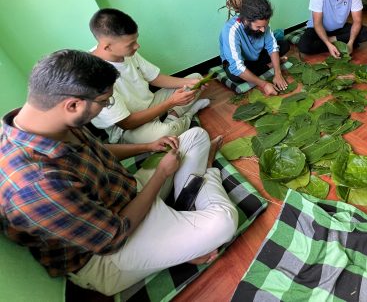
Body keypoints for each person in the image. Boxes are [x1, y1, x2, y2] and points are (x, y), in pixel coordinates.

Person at [0, 50, 237, 296]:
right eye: (104, 102)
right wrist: (160, 175)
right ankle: (205, 178)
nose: (107, 107)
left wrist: (146, 147)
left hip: (128, 193)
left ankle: (180, 229)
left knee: (195, 137)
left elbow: (97, 151)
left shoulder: (45, 118)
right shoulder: (34, 184)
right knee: (224, 223)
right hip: (109, 251)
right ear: (73, 105)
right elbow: (113, 236)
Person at [90, 8, 210, 144]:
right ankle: (186, 115)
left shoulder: (127, 53)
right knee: (166, 134)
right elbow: (126, 124)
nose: (137, 46)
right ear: (107, 47)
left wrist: (190, 83)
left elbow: (155, 78)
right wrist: (171, 102)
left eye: (136, 40)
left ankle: (173, 116)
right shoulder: (93, 73)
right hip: (127, 128)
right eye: (131, 44)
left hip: (151, 104)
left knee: (196, 78)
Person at [219, 0, 290, 96]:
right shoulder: (231, 30)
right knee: (235, 75)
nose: (263, 30)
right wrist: (264, 84)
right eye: (258, 27)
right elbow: (237, 66)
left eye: (265, 25)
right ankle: (270, 65)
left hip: (256, 56)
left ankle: (269, 65)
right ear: (246, 21)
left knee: (284, 45)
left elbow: (272, 46)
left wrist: (278, 74)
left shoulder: (262, 24)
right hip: (242, 61)